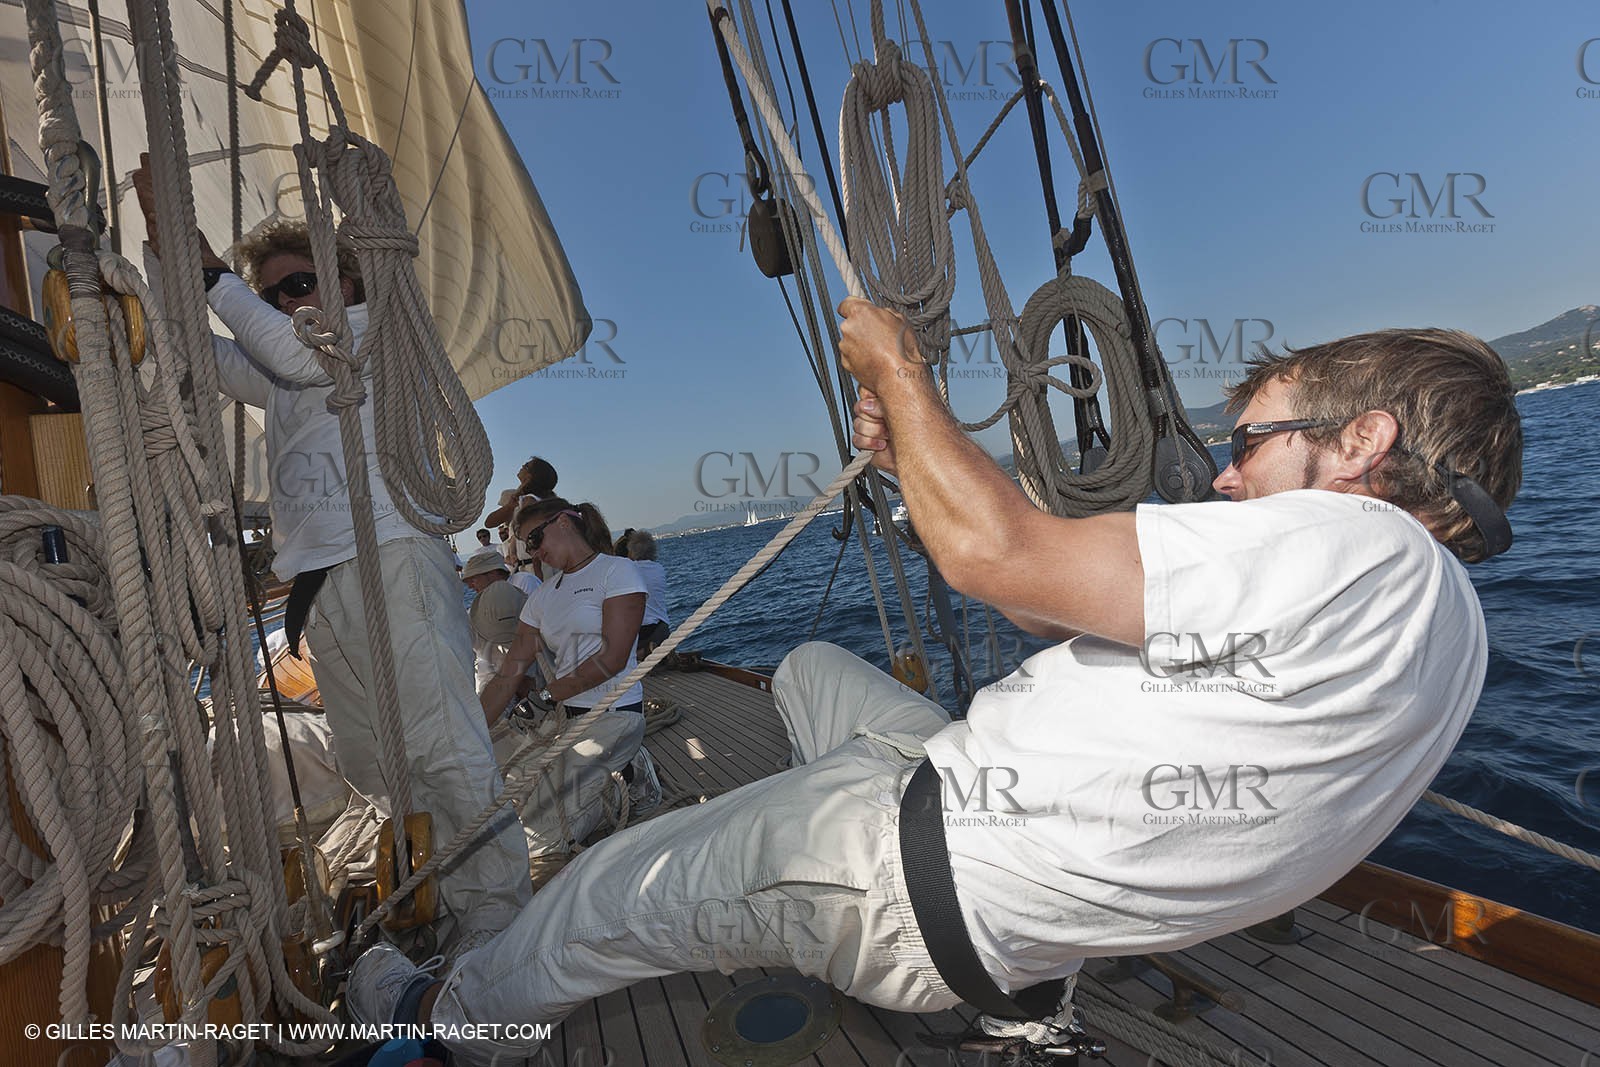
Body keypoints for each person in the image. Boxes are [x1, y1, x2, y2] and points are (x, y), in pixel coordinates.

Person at [347, 308, 1521, 1064]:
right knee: (808, 669)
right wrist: (913, 449)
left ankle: (444, 1025)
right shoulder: (1448, 624)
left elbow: (994, 557)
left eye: (1255, 439)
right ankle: (1006, 995)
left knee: (602, 893)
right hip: (1013, 895)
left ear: (1362, 440)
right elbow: (1032, 597)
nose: (1224, 471)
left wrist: (902, 372)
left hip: (913, 886)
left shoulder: (1347, 540)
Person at [132, 160, 531, 950]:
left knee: (445, 751)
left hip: (390, 561)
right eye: (275, 293)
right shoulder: (286, 370)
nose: (287, 302)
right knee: (375, 761)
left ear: (345, 284)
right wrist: (160, 241)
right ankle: (442, 906)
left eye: (299, 284)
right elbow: (193, 351)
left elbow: (285, 349)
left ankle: (504, 931)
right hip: (322, 585)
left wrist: (215, 273)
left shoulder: (362, 333)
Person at [475, 496, 650, 855]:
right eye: (526, 546)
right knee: (504, 793)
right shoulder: (541, 598)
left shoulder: (616, 572)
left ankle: (630, 781)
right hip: (563, 719)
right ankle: (611, 778)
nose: (533, 553)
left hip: (613, 717)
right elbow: (509, 675)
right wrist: (472, 732)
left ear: (564, 522)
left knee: (543, 839)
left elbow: (613, 657)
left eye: (535, 540)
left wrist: (550, 694)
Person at [625, 529, 672, 657]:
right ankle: (660, 651)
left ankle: (643, 653)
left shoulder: (626, 569)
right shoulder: (659, 568)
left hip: (637, 634)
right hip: (659, 630)